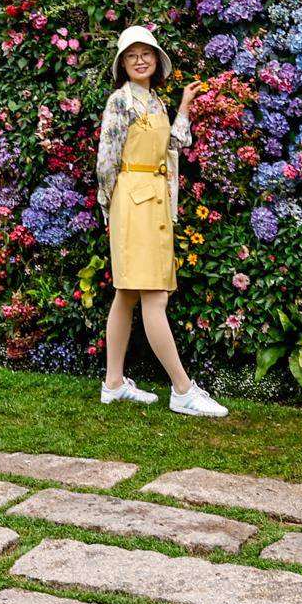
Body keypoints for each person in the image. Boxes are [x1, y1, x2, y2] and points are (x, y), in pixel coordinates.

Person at [94, 24, 227, 417]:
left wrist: (184, 106)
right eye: (132, 55)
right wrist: (109, 205)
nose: (140, 60)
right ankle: (183, 389)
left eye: (146, 54)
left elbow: (174, 146)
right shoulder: (120, 102)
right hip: (131, 201)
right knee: (153, 295)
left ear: (156, 61)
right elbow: (106, 160)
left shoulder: (155, 103)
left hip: (152, 200)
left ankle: (113, 384)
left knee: (128, 294)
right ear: (122, 63)